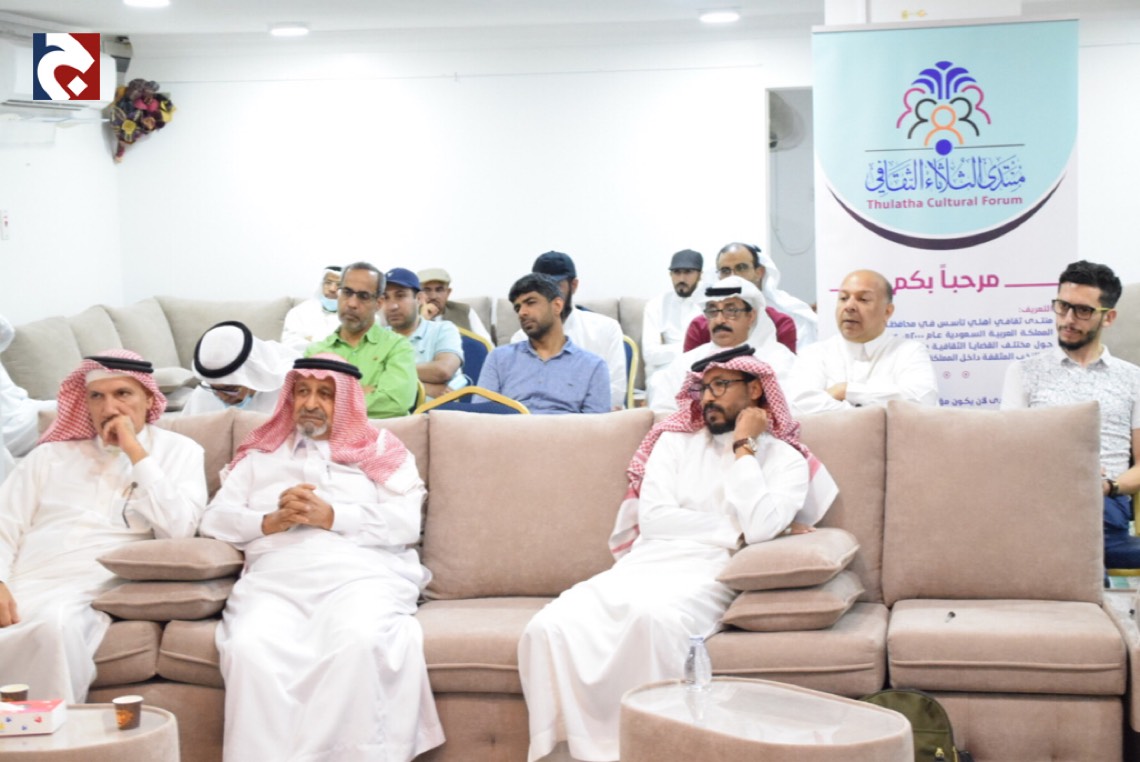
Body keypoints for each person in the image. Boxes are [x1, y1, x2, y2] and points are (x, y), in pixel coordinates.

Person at [519, 345, 837, 762]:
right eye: (703, 388)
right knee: (549, 625)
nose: (708, 398)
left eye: (721, 386)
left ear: (756, 389)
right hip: (647, 561)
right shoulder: (673, 443)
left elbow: (761, 529)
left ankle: (646, 749)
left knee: (654, 620)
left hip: (712, 570)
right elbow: (655, 520)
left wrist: (744, 448)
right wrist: (736, 530)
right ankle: (571, 750)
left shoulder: (785, 459)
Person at [199, 355, 444, 762]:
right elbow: (214, 520)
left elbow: (404, 523)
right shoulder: (261, 453)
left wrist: (332, 516)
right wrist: (270, 521)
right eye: (303, 391)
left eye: (325, 394)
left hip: (360, 577)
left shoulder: (380, 450)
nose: (311, 403)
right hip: (275, 581)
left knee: (359, 641)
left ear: (346, 401)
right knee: (248, 647)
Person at [0, 350, 206, 702]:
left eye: (122, 394)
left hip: (87, 585)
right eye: (97, 396)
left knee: (54, 625)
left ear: (149, 399)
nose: (109, 407)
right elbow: (5, 522)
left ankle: (44, 733)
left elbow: (179, 530)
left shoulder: (181, 452)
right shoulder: (49, 456)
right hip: (24, 575)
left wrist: (135, 452)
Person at [1001, 260, 1140, 570]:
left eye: (1083, 311)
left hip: (1104, 502)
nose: (1068, 319)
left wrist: (1109, 486)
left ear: (1108, 317)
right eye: (1063, 306)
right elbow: (1008, 452)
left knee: (1076, 536)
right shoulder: (1024, 372)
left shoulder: (1133, 379)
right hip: (1041, 497)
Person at [786, 270, 939, 415]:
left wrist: (845, 390)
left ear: (887, 311)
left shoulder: (909, 351)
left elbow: (923, 400)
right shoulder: (814, 354)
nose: (849, 307)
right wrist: (877, 412)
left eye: (863, 299)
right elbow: (800, 406)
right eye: (843, 298)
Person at [647, 276, 795, 414]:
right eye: (712, 311)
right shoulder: (687, 363)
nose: (719, 320)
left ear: (750, 316)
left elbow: (791, 414)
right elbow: (663, 412)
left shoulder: (779, 360)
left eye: (731, 310)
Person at [478, 273, 610, 414]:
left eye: (530, 303)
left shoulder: (593, 366)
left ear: (557, 306)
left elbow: (597, 424)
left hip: (566, 428)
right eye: (518, 308)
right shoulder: (499, 359)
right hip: (511, 426)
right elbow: (480, 416)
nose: (522, 313)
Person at [510, 252, 626, 410]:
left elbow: (615, 392)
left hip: (596, 420)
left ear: (574, 285)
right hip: (539, 420)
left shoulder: (606, 329)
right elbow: (521, 396)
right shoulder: (520, 339)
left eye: (556, 286)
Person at [306, 261, 418, 418]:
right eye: (347, 292)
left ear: (378, 303)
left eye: (363, 296)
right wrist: (361, 392)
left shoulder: (397, 347)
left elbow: (396, 402)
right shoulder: (315, 353)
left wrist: (330, 398)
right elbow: (304, 403)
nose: (352, 303)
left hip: (381, 432)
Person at [683, 243, 812, 353]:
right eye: (725, 270)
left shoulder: (780, 323)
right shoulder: (700, 326)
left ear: (759, 272)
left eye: (741, 268)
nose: (733, 276)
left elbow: (786, 369)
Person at [181, 320, 298, 416]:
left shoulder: (289, 390)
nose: (221, 396)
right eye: (214, 388)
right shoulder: (204, 394)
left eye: (230, 388)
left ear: (254, 373)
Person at [383, 268, 467, 400]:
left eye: (400, 296)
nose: (392, 306)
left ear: (419, 299)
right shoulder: (377, 338)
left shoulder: (443, 329)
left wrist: (385, 372)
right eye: (385, 297)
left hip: (436, 411)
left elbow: (443, 370)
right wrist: (425, 388)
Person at [641, 249, 706, 383]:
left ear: (700, 275)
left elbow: (713, 350)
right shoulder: (656, 304)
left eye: (688, 272)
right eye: (677, 272)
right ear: (670, 274)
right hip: (665, 374)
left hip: (702, 371)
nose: (681, 279)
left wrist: (668, 351)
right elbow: (650, 354)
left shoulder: (711, 304)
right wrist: (694, 348)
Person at [417, 267, 493, 343]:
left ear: (448, 292)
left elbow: (486, 343)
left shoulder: (464, 311)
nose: (433, 296)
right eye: (426, 290)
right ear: (418, 294)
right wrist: (423, 320)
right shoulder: (412, 315)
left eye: (439, 290)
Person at [282, 265, 345, 353]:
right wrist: (327, 342)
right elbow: (288, 344)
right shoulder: (299, 312)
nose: (332, 289)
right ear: (321, 284)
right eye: (328, 283)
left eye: (339, 285)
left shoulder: (352, 316)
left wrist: (312, 339)